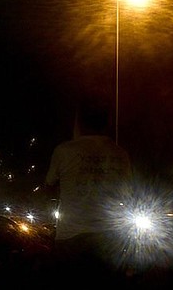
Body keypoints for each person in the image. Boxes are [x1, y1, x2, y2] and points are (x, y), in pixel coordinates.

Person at [43, 93, 132, 282]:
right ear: (106, 122)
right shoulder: (120, 154)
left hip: (71, 238)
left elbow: (49, 184)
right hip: (108, 238)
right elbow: (127, 194)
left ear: (80, 122)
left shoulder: (64, 151)